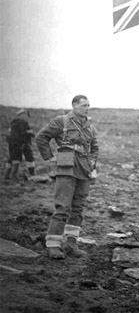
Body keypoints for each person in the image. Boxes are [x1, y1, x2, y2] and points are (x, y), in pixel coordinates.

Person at [36, 95, 98, 260]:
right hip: (66, 168)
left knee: (78, 208)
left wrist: (92, 166)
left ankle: (71, 244)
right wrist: (49, 157)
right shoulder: (62, 121)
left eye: (89, 105)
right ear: (74, 106)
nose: (87, 108)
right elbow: (41, 137)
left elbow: (94, 148)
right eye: (84, 105)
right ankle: (53, 245)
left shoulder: (90, 126)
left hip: (84, 170)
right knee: (62, 207)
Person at [4, 109, 35, 181]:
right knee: (17, 159)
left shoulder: (13, 122)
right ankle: (14, 176)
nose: (26, 117)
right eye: (26, 115)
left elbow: (10, 133)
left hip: (14, 143)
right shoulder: (22, 122)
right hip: (19, 143)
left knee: (11, 158)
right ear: (22, 115)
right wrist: (30, 132)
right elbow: (22, 133)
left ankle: (7, 175)